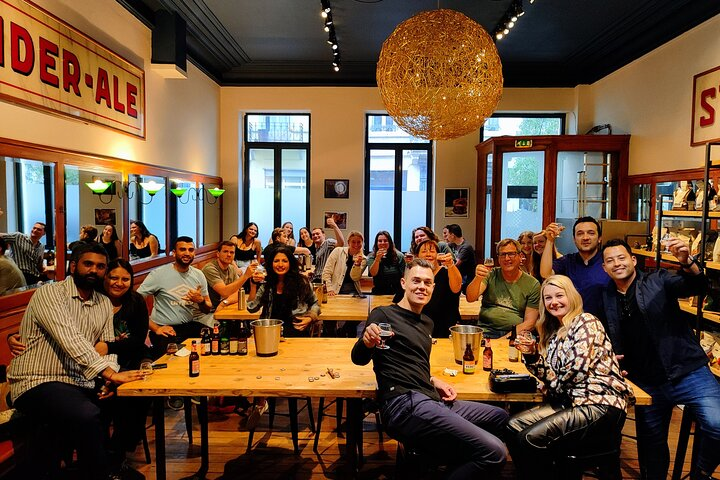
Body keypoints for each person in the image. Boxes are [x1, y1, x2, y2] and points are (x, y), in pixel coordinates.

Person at [352, 259, 509, 478]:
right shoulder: (384, 315)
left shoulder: (427, 322)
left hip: (430, 399)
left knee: (499, 417)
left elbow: (413, 361)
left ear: (433, 288)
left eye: (427, 282)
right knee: (495, 452)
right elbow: (358, 358)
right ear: (403, 283)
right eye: (416, 281)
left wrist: (433, 380)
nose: (421, 287)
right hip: (403, 403)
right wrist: (366, 341)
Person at [8, 243, 145, 479]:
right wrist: (109, 374)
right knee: (86, 414)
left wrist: (109, 379)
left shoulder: (102, 303)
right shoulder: (50, 293)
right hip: (38, 379)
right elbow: (69, 337)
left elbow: (106, 345)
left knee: (126, 399)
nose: (94, 270)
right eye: (88, 264)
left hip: (78, 382)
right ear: (73, 266)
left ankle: (114, 462)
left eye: (100, 266)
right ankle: (101, 473)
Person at [601, 238, 720, 480]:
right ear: (604, 268)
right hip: (645, 383)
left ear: (633, 260)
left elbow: (696, 286)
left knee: (717, 424)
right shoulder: (605, 296)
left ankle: (701, 473)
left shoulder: (658, 280)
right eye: (610, 261)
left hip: (687, 372)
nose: (617, 263)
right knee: (652, 448)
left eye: (621, 257)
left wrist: (687, 262)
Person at [507, 275, 633, 479]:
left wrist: (552, 384)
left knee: (529, 438)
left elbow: (576, 370)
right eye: (548, 298)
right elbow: (551, 375)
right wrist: (532, 355)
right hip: (571, 402)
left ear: (572, 296)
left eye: (559, 295)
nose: (553, 302)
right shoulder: (554, 334)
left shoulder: (586, 321)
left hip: (598, 403)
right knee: (512, 426)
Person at [137, 236, 214, 358]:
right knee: (173, 358)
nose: (187, 253)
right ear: (174, 253)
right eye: (182, 249)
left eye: (191, 250)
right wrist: (156, 328)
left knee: (213, 343)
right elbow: (135, 304)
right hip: (164, 329)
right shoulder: (158, 274)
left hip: (189, 325)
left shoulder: (198, 275)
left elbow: (207, 308)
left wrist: (201, 301)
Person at [466, 238, 540, 339]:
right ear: (498, 259)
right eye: (502, 255)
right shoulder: (490, 274)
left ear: (520, 256)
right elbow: (470, 298)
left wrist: (507, 338)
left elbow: (530, 322)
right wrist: (478, 278)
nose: (507, 258)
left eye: (511, 254)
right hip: (487, 331)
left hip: (516, 334)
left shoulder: (533, 284)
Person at [539, 216, 607, 318]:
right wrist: (550, 241)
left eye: (591, 233)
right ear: (574, 239)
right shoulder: (568, 261)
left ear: (599, 239)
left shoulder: (608, 260)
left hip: (603, 323)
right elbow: (546, 273)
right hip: (572, 323)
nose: (585, 237)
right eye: (580, 234)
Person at [393, 239, 462, 338]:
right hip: (415, 327)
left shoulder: (447, 272)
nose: (428, 254)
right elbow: (399, 301)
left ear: (438, 255)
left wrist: (450, 264)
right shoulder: (413, 275)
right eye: (424, 251)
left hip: (442, 330)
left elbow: (457, 288)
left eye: (432, 251)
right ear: (417, 256)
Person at [247, 245, 321, 338]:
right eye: (276, 261)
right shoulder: (267, 283)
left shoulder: (302, 282)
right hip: (270, 332)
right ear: (271, 263)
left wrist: (311, 317)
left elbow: (314, 303)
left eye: (284, 261)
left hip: (296, 331)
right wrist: (253, 284)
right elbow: (252, 308)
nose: (280, 265)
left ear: (290, 263)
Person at [202, 241, 256, 309]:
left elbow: (238, 293)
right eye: (225, 251)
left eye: (232, 252)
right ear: (218, 254)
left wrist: (225, 302)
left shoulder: (231, 268)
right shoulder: (210, 269)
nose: (229, 255)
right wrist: (245, 276)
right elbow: (224, 292)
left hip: (224, 307)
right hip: (209, 311)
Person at [322, 230, 366, 296]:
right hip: (334, 290)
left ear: (362, 243)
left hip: (353, 291)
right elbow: (326, 272)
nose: (356, 245)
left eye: (359, 242)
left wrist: (357, 264)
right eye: (353, 242)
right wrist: (329, 289)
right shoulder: (337, 251)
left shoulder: (363, 259)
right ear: (348, 243)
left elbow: (355, 278)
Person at [366, 230, 405, 295]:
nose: (383, 243)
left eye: (385, 240)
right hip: (379, 292)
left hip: (397, 292)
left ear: (390, 242)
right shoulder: (371, 256)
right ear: (376, 243)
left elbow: (404, 275)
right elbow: (373, 273)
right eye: (380, 241)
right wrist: (377, 259)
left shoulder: (399, 256)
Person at [311, 216, 345, 283]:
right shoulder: (318, 248)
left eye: (317, 234)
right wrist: (315, 272)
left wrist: (334, 226)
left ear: (324, 235)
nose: (315, 236)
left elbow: (341, 243)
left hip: (324, 280)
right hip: (316, 278)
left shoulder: (328, 242)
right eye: (313, 235)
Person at [445, 224, 476, 291]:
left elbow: (456, 263)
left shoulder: (466, 247)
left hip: (466, 279)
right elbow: (443, 247)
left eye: (447, 235)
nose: (446, 238)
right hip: (458, 275)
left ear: (452, 235)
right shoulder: (452, 244)